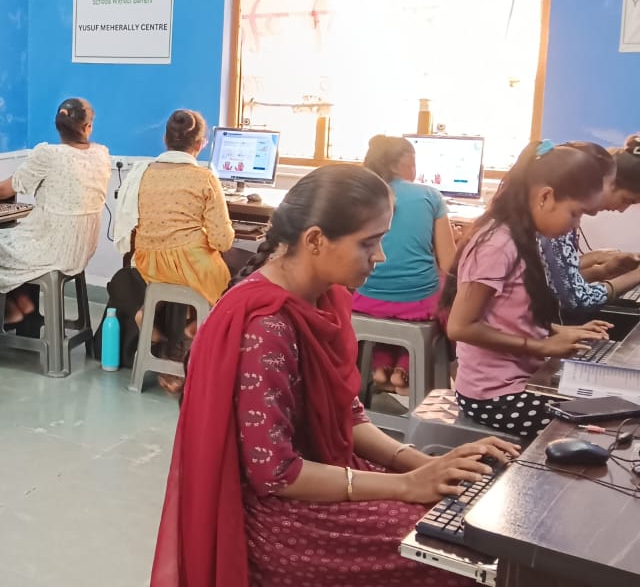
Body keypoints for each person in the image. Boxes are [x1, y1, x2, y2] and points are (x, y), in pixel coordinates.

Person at [151, 164, 518, 587]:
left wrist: (423, 465)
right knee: (451, 554)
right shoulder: (266, 328)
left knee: (457, 517)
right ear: (315, 241)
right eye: (370, 243)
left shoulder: (324, 298)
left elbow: (349, 411)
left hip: (324, 473)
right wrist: (406, 486)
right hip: (274, 520)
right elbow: (277, 474)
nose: (380, 257)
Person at [443, 140, 614, 438]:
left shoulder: (524, 237)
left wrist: (560, 332)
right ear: (546, 197)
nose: (576, 225)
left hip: (523, 379)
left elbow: (509, 313)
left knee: (614, 407)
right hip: (493, 396)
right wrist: (542, 346)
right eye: (575, 213)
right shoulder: (497, 244)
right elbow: (459, 327)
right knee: (600, 431)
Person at [0, 97, 111, 325]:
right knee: (7, 235)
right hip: (79, 251)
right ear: (88, 127)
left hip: (50, 248)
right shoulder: (102, 154)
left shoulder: (48, 154)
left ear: (57, 126)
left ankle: (3, 313)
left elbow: (5, 189)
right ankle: (22, 303)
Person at [114, 109, 233, 389]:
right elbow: (223, 241)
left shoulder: (143, 172)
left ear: (165, 138)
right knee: (231, 272)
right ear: (200, 144)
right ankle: (194, 335)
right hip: (190, 264)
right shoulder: (204, 178)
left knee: (181, 277)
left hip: (148, 262)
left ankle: (163, 326)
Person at [354, 136, 455, 395]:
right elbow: (449, 263)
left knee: (390, 304)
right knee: (444, 287)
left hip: (364, 299)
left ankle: (381, 365)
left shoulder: (360, 193)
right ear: (407, 162)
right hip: (417, 301)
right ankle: (406, 368)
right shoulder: (430, 196)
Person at [541, 134, 640, 317]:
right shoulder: (555, 223)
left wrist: (601, 268)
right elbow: (577, 300)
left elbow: (552, 280)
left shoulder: (555, 215)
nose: (622, 210)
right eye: (627, 200)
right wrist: (635, 276)